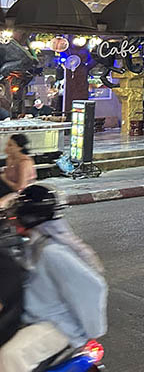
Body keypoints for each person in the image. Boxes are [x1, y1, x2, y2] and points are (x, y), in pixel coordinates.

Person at [0, 185, 107, 372]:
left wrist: (92, 331)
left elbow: (94, 287)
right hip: (33, 319)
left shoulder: (53, 252)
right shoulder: (34, 245)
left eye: (17, 214)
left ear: (30, 217)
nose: (12, 219)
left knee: (10, 355)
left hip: (56, 325)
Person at [0, 135, 36, 201]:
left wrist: (4, 178)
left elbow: (20, 187)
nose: (6, 148)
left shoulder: (24, 162)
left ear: (19, 148)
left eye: (10, 145)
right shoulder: (10, 159)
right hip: (9, 189)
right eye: (7, 145)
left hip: (22, 193)